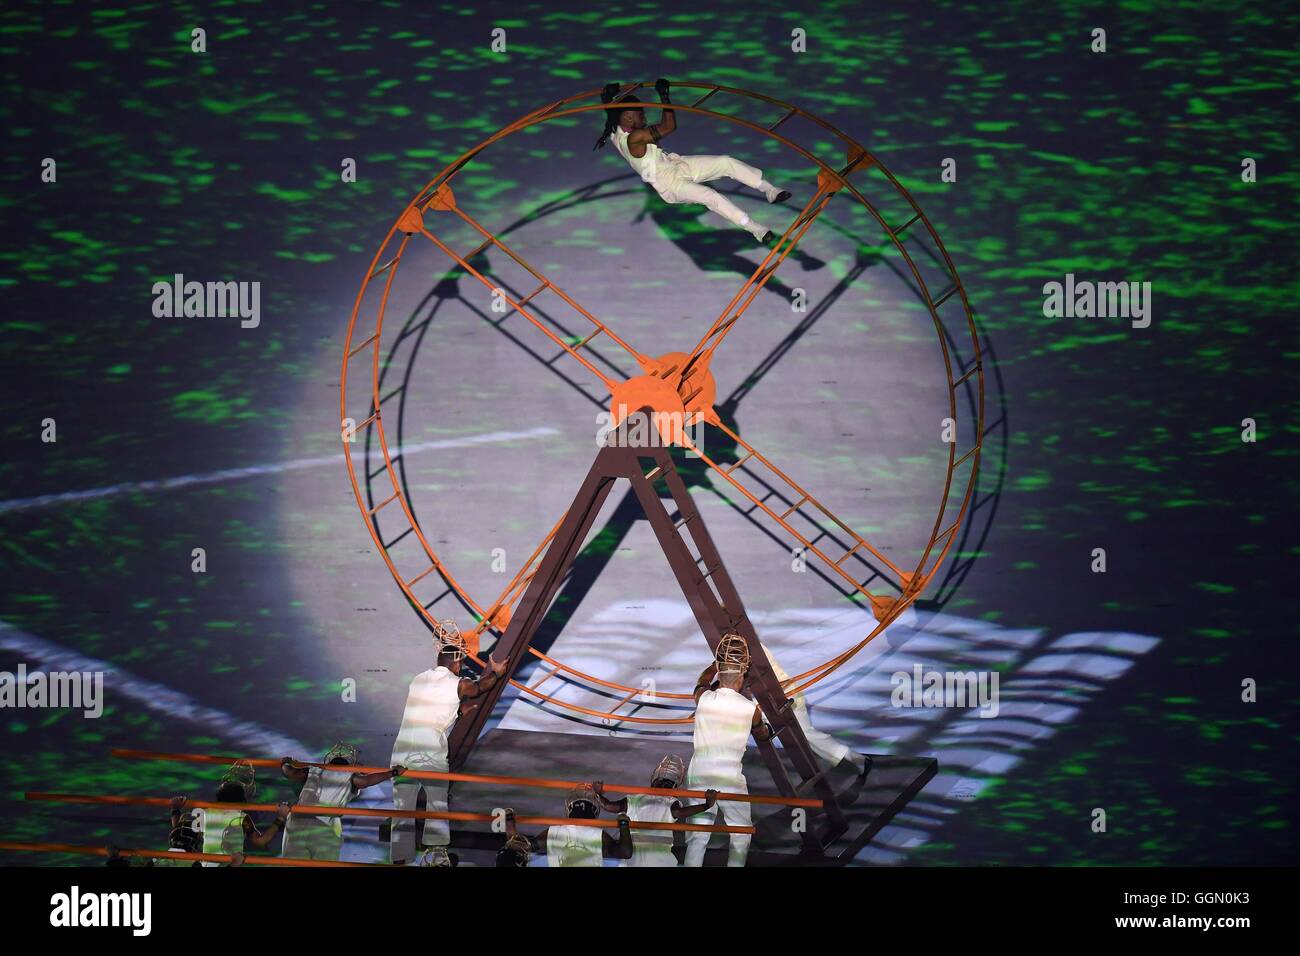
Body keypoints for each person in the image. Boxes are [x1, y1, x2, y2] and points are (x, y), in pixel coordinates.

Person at [595, 78, 791, 245]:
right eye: (640, 114)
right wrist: (664, 95)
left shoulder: (615, 130)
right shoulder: (634, 138)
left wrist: (608, 97)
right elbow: (669, 126)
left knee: (725, 162)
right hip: (671, 184)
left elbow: (611, 113)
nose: (644, 116)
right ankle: (756, 229)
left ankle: (769, 190)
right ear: (628, 118)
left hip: (676, 164)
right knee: (710, 196)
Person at [390, 620, 508, 864]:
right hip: (430, 755)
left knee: (402, 810)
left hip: (401, 753)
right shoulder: (458, 683)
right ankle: (436, 857)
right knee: (436, 806)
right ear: (457, 663)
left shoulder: (418, 679)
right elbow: (478, 688)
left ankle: (399, 860)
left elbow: (429, 710)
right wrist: (495, 672)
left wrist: (458, 713)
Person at [683, 633, 770, 867]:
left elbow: (700, 682)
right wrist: (765, 729)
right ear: (741, 676)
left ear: (720, 674)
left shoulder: (703, 698)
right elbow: (762, 734)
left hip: (700, 772)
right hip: (730, 776)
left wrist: (713, 665)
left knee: (697, 838)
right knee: (740, 834)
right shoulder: (751, 709)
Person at [760, 643, 871, 777]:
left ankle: (855, 759)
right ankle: (854, 758)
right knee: (805, 735)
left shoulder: (742, 644)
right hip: (773, 697)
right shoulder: (742, 642)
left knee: (805, 735)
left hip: (782, 695)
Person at [280, 743, 404, 862]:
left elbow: (290, 772)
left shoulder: (314, 770)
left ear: (329, 761)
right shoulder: (349, 776)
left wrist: (285, 762)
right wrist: (393, 772)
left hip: (297, 823)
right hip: (324, 827)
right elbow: (365, 781)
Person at [592, 755, 717, 867]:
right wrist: (706, 805)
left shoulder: (635, 799)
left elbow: (608, 806)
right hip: (661, 861)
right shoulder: (670, 802)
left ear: (653, 781)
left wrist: (597, 793)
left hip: (635, 860)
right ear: (674, 788)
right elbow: (679, 813)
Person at [501, 787, 633, 867]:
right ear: (594, 812)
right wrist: (623, 824)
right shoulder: (599, 834)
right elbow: (625, 852)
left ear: (569, 810)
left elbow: (519, 845)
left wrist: (509, 822)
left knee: (507, 858)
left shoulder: (553, 832)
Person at [194, 760, 289, 867]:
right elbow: (261, 842)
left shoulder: (205, 813)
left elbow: (189, 836)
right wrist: (280, 818)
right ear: (242, 799)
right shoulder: (241, 818)